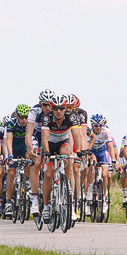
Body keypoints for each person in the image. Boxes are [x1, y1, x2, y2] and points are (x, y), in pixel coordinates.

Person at [39, 94, 76, 223]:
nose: (58, 111)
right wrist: (47, 152)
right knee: (48, 175)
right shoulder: (47, 118)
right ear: (52, 109)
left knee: (67, 153)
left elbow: (79, 135)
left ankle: (68, 189)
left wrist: (82, 151)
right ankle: (46, 207)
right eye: (55, 108)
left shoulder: (72, 117)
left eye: (61, 108)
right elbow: (44, 137)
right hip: (49, 144)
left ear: (66, 108)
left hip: (63, 143)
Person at [25, 89, 55, 216]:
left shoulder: (56, 111)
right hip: (37, 136)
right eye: (44, 105)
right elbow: (28, 133)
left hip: (50, 136)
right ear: (40, 104)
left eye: (49, 104)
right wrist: (31, 148)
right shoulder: (34, 111)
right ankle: (35, 198)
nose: (48, 107)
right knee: (36, 162)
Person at [1, 104, 32, 217]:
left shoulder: (30, 123)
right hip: (13, 146)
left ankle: (27, 181)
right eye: (21, 117)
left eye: (26, 117)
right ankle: (8, 201)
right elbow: (9, 140)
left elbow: (31, 140)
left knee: (29, 159)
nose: (24, 120)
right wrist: (9, 155)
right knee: (11, 172)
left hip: (24, 146)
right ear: (17, 116)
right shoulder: (11, 123)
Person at [83, 113, 117, 215]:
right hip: (92, 151)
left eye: (100, 125)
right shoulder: (88, 132)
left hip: (102, 153)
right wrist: (89, 155)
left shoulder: (106, 132)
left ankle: (104, 196)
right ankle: (89, 192)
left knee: (105, 174)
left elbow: (110, 146)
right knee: (92, 168)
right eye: (96, 126)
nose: (98, 128)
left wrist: (114, 160)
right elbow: (86, 146)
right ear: (92, 125)